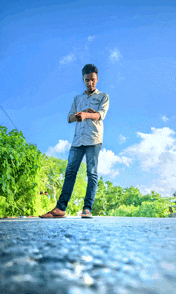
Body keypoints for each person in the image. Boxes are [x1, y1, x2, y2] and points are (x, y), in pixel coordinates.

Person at [40, 64, 109, 219]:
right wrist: (78, 115)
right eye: (87, 80)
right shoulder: (77, 98)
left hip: (94, 139)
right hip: (77, 140)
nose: (90, 83)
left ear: (97, 79)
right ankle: (60, 208)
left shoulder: (103, 97)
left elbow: (100, 115)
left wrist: (87, 115)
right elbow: (70, 118)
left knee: (91, 173)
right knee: (70, 172)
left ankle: (87, 208)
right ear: (83, 80)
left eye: (93, 80)